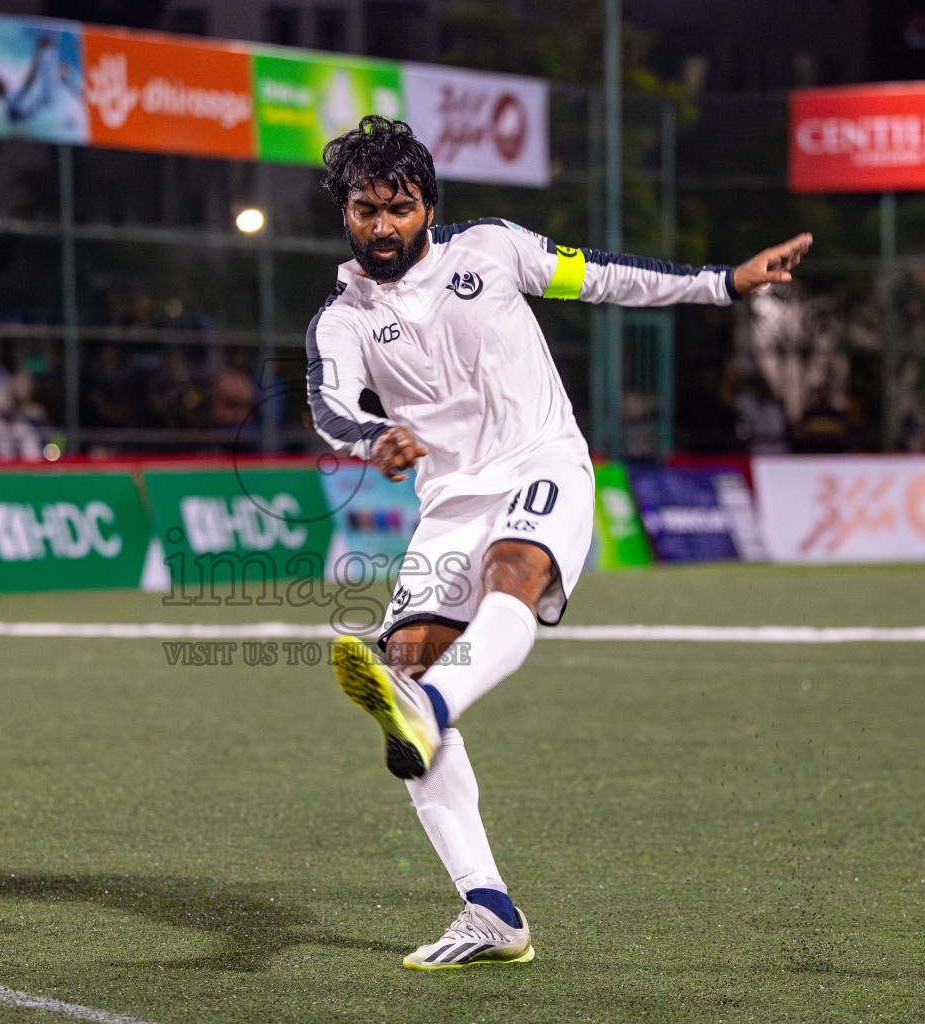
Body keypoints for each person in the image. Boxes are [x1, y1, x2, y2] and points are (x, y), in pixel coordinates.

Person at [307, 116, 812, 971]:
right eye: (365, 210)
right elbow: (328, 408)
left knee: (507, 583)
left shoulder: (495, 249)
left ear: (427, 203)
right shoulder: (344, 316)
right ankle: (490, 909)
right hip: (449, 505)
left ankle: (432, 708)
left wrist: (723, 282)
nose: (383, 225)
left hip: (543, 462)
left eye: (398, 207)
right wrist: (371, 437)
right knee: (402, 682)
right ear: (345, 213)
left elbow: (608, 277)